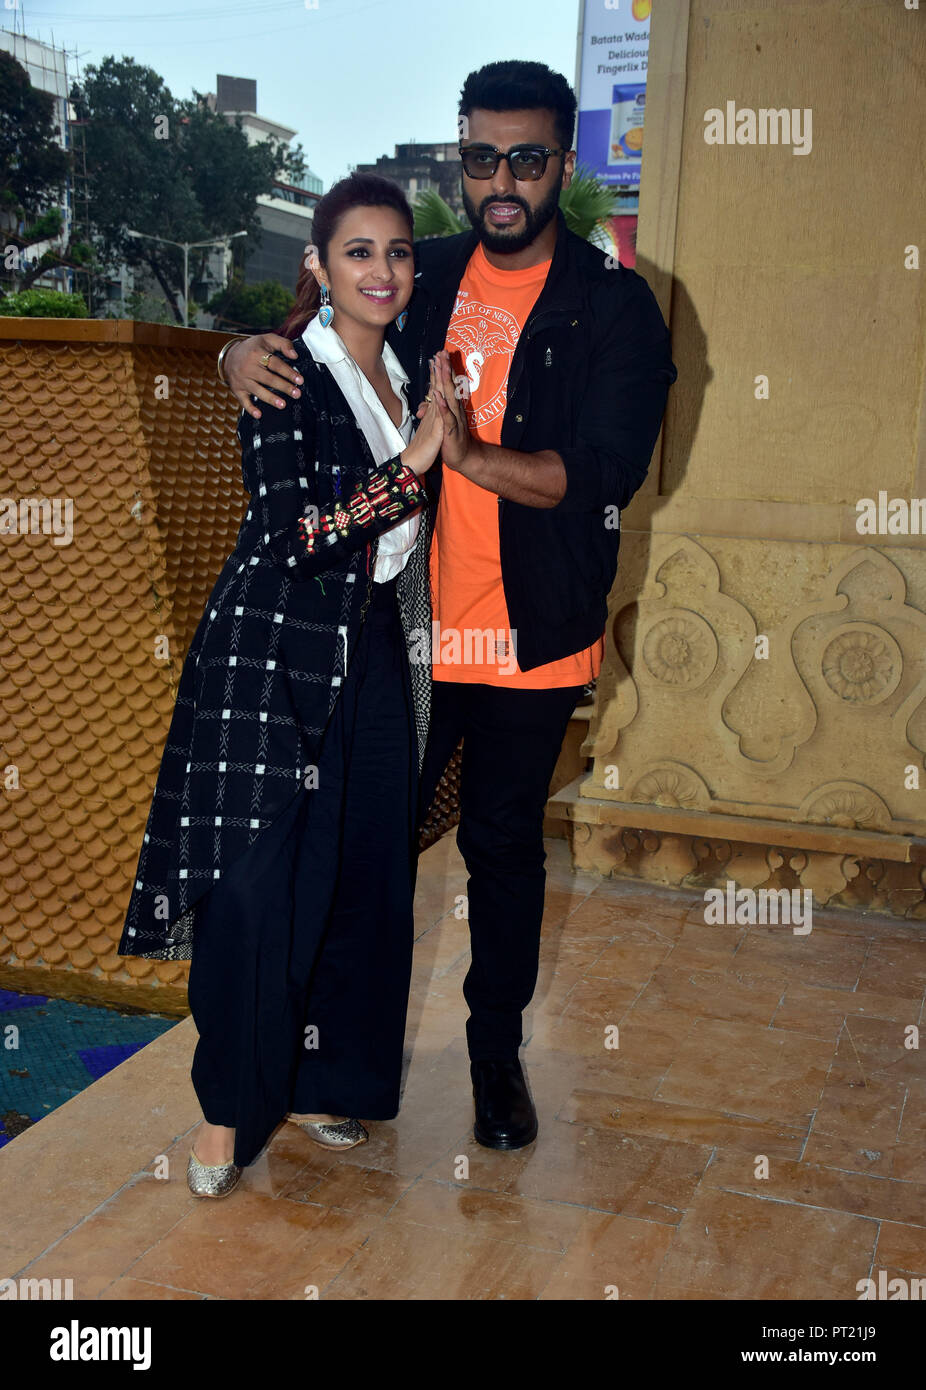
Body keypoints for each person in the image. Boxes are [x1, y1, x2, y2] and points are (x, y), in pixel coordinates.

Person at [218, 60, 679, 1152]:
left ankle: (493, 1058)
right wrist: (239, 352)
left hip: (530, 630)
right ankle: (326, 1062)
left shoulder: (614, 307)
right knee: (358, 842)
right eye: (482, 158)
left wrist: (468, 458)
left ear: (563, 162)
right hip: (402, 629)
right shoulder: (417, 271)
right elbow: (316, 333)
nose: (501, 181)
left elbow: (600, 473)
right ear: (462, 159)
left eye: (527, 158)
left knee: (503, 849)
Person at [117, 173, 447, 1197]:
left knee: (364, 870)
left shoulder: (408, 368)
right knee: (257, 886)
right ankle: (226, 1110)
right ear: (318, 264)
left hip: (375, 647)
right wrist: (411, 467)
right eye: (358, 251)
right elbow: (292, 536)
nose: (382, 270)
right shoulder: (285, 374)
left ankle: (323, 1078)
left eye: (397, 251)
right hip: (269, 653)